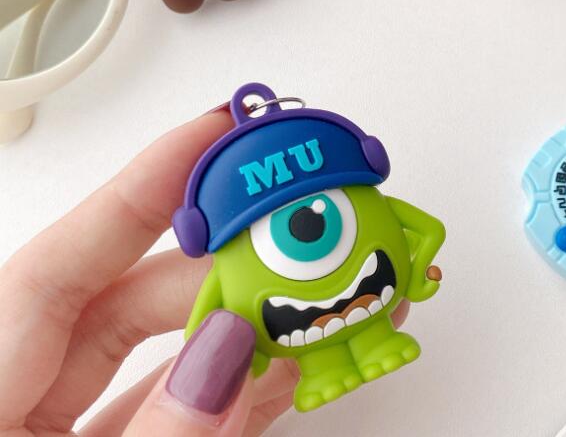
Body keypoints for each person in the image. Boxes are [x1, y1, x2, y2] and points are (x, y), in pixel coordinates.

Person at [0, 108, 411, 436]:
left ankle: (375, 344)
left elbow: (420, 227)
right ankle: (324, 371)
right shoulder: (232, 267)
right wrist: (213, 351)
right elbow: (213, 300)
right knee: (317, 350)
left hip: (364, 295)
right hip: (296, 323)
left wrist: (419, 266)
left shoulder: (364, 208)